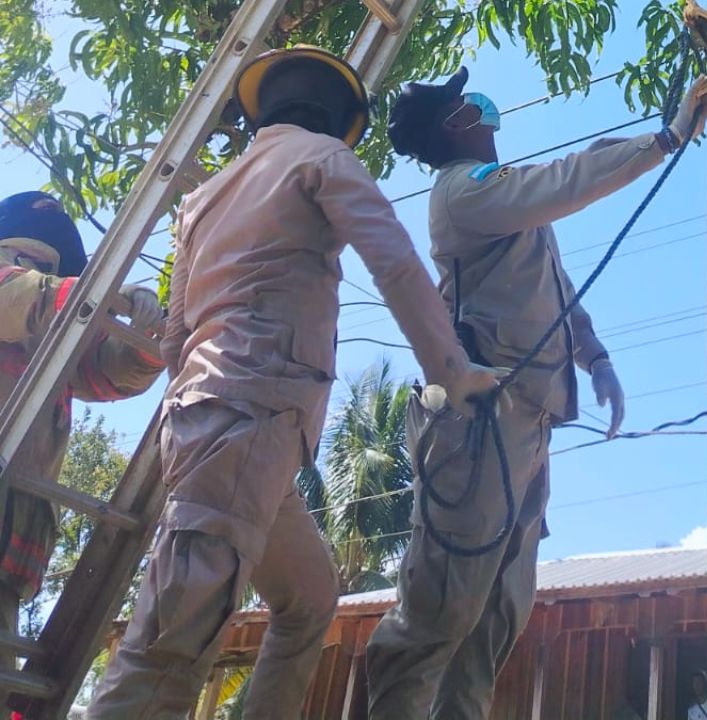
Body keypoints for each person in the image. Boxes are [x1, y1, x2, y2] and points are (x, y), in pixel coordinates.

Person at [87, 46, 499, 719]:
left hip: (218, 422)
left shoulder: (202, 198)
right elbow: (394, 264)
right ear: (338, 121)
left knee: (309, 600)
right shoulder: (324, 159)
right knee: (168, 649)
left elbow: (174, 336)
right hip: (250, 420)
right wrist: (453, 374)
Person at [363, 66, 707, 718]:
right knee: (441, 610)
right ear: (454, 125)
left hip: (524, 425)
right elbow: (568, 177)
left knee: (494, 617)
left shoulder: (504, 200)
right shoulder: (465, 192)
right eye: (468, 104)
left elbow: (554, 288)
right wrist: (665, 140)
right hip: (478, 424)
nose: (481, 108)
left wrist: (596, 357)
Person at [0, 191, 164, 684]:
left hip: (10, 554)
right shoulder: (26, 298)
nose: (25, 270)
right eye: (21, 259)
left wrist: (147, 338)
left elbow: (109, 370)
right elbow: (26, 297)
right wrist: (95, 297)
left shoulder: (50, 345)